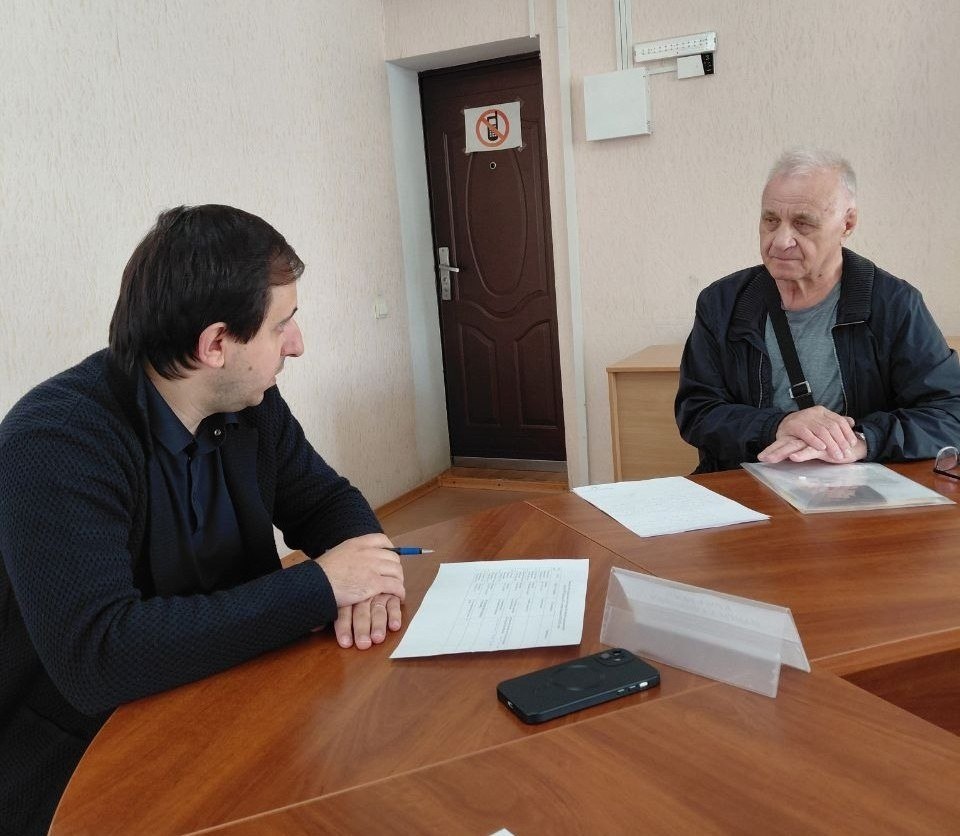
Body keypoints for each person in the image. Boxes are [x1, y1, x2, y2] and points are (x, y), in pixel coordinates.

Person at [0, 205, 406, 835]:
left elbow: (325, 502)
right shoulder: (54, 442)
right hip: (84, 763)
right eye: (281, 325)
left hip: (230, 702)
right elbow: (100, 657)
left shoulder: (251, 403)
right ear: (215, 344)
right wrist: (322, 586)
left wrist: (368, 575)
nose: (297, 343)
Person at [675, 148, 960, 473]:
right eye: (771, 220)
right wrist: (776, 426)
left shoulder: (894, 303)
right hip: (747, 485)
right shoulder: (721, 302)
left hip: (858, 487)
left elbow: (950, 412)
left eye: (803, 224)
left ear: (847, 223)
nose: (781, 241)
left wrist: (862, 441)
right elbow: (697, 412)